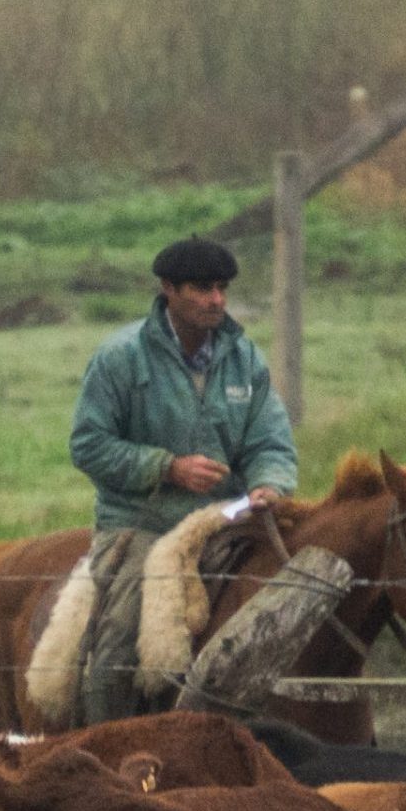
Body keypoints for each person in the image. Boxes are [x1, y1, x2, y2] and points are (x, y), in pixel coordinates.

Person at [65, 235, 298, 723]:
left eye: (222, 288)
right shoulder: (120, 358)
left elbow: (270, 442)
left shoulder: (244, 360)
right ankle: (103, 742)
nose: (217, 300)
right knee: (119, 642)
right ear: (168, 289)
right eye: (202, 289)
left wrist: (268, 484)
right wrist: (165, 467)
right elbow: (88, 445)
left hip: (226, 521)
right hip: (142, 525)